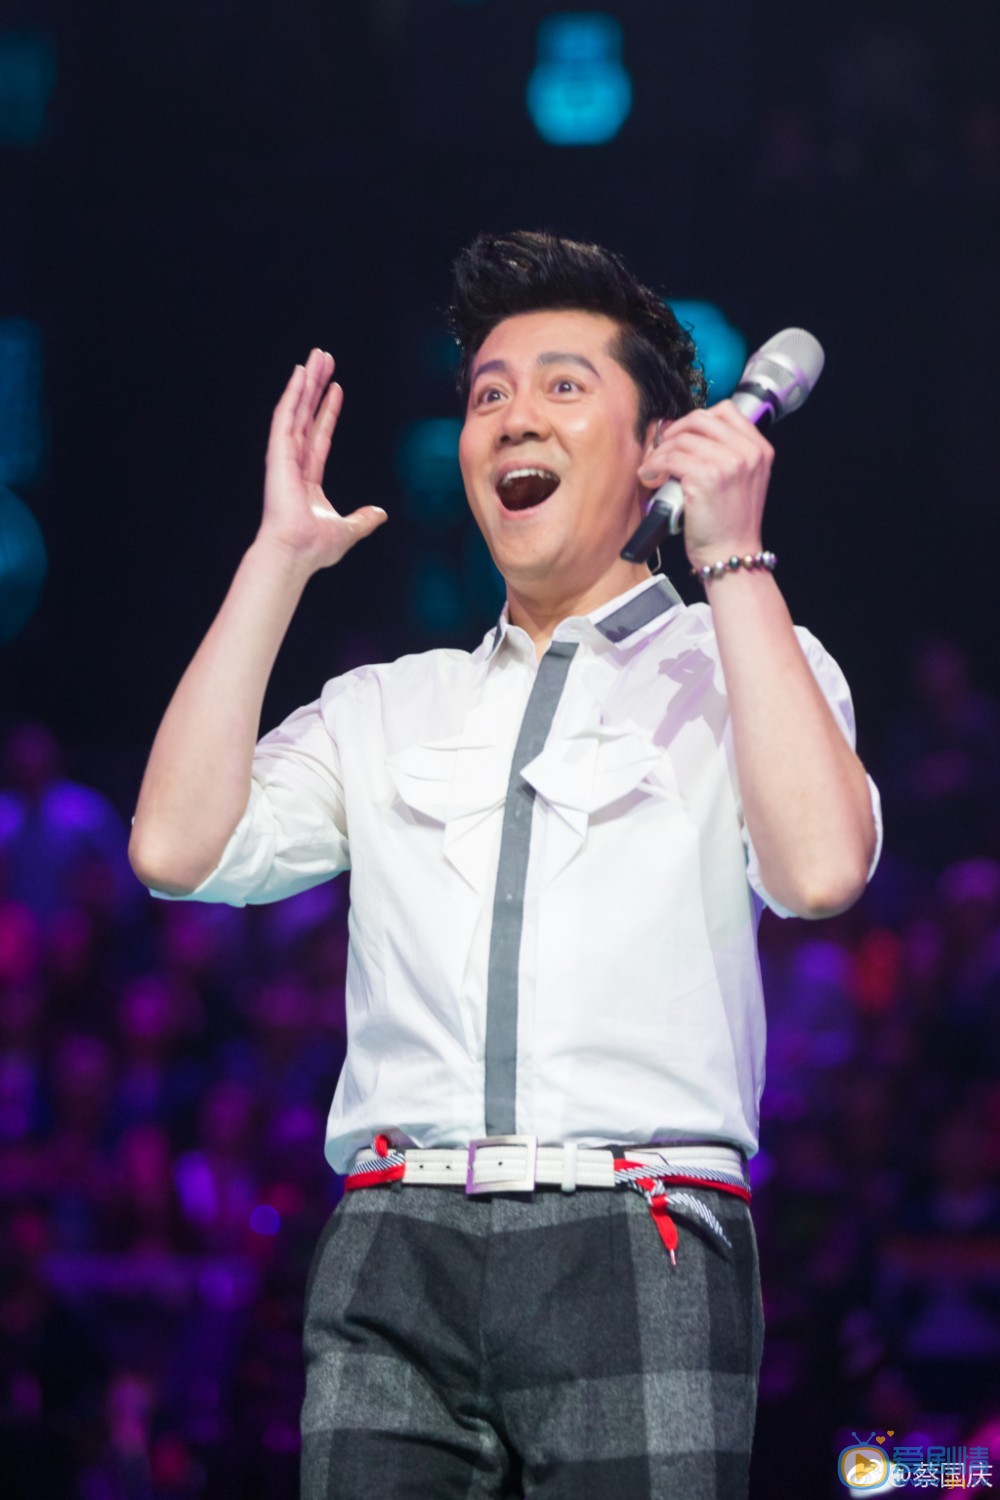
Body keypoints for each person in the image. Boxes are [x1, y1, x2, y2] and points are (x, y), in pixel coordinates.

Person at [128, 230, 881, 1499]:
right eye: (488, 395)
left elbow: (817, 872)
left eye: (562, 386)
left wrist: (732, 556)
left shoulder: (752, 664)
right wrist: (277, 561)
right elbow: (173, 846)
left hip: (640, 1229)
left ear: (659, 450)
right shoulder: (387, 704)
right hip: (393, 1236)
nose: (513, 416)